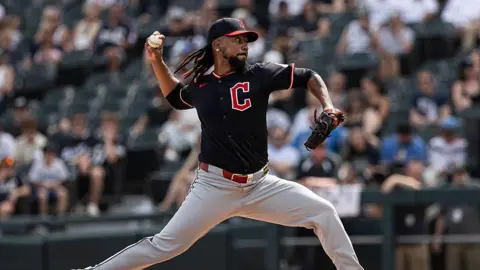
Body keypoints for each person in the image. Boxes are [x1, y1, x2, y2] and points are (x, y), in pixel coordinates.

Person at [78, 17, 363, 270]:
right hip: (214, 186)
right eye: (237, 40)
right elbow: (176, 98)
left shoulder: (259, 74)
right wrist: (157, 62)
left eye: (246, 40)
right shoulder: (203, 87)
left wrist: (327, 105)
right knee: (164, 245)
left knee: (323, 212)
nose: (244, 44)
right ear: (218, 45)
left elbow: (308, 76)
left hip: (260, 185)